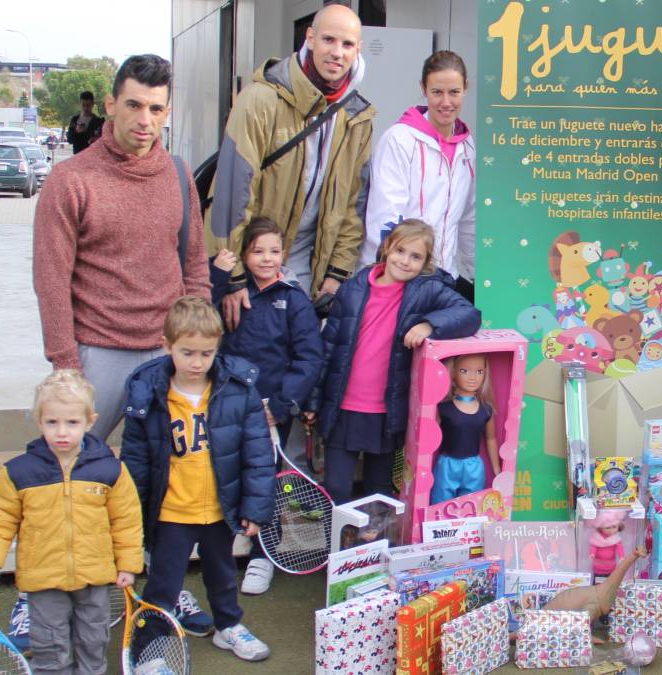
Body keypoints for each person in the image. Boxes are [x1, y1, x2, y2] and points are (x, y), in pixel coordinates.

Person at [32, 53, 213, 640]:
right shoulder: (71, 180)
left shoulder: (177, 173)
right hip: (95, 352)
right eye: (133, 104)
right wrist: (65, 364)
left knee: (166, 481)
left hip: (165, 354)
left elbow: (193, 261)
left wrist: (196, 342)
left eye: (156, 108)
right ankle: (39, 594)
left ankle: (163, 591)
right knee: (63, 476)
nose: (144, 119)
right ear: (109, 104)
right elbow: (51, 276)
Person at [120, 297, 275, 660]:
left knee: (222, 576)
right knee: (163, 584)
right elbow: (135, 460)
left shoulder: (239, 388)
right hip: (171, 512)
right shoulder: (147, 391)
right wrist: (134, 514)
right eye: (187, 352)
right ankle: (151, 647)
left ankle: (228, 626)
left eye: (206, 353)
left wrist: (253, 507)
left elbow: (257, 453)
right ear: (167, 345)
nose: (197, 362)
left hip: (220, 509)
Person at [206, 3, 375, 331]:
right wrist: (234, 278)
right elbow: (232, 193)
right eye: (328, 40)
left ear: (358, 50)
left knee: (299, 370)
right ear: (310, 38)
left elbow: (355, 204)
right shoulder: (259, 101)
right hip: (254, 263)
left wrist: (337, 273)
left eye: (347, 44)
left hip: (312, 270)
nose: (337, 52)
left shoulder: (358, 116)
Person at [0, 370, 143, 673]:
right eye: (52, 422)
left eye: (72, 422)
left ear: (90, 421)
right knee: (49, 644)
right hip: (43, 579)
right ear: (39, 421)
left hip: (96, 577)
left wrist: (128, 564)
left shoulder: (112, 471)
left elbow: (126, 521)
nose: (62, 432)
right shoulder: (17, 472)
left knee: (93, 640)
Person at [308, 219, 481, 503]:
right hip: (342, 408)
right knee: (336, 489)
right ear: (387, 248)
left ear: (426, 262)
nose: (405, 261)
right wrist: (313, 402)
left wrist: (429, 325)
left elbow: (470, 315)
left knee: (379, 492)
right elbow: (328, 348)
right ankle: (336, 547)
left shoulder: (426, 291)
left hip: (387, 414)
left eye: (416, 257)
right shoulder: (352, 289)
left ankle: (375, 546)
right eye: (400, 251)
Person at [210, 217, 325, 596]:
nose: (266, 258)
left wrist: (281, 404)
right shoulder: (231, 295)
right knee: (224, 475)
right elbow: (202, 324)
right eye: (258, 251)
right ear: (244, 255)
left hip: (271, 411)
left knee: (267, 483)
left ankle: (263, 555)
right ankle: (221, 551)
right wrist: (217, 277)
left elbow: (308, 359)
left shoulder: (294, 300)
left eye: (274, 251)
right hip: (230, 406)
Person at [363, 50, 477, 299]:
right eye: (437, 92)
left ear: (465, 89)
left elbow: (468, 219)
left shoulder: (468, 148)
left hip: (445, 280)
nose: (446, 102)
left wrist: (478, 273)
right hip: (402, 282)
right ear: (423, 89)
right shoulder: (399, 140)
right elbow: (386, 218)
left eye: (454, 92)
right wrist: (388, 279)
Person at [430, 353, 499, 504]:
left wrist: (497, 469)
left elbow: (491, 439)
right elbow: (429, 437)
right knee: (439, 504)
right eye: (464, 371)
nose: (473, 377)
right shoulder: (443, 408)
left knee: (471, 506)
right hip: (447, 465)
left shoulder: (486, 410)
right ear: (453, 372)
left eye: (479, 371)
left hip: (473, 467)